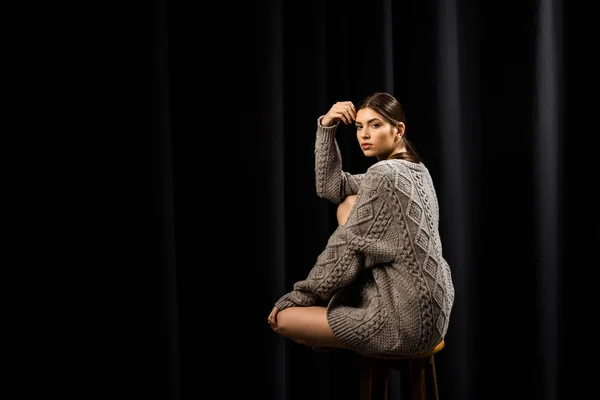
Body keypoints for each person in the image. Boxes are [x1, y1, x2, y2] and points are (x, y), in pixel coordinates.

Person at [267, 92, 455, 356]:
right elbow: (333, 188)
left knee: (285, 319)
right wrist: (327, 126)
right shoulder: (416, 169)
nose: (364, 135)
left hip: (406, 322)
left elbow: (347, 247)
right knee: (348, 202)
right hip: (436, 314)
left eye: (375, 125)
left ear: (398, 129)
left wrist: (302, 295)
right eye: (359, 126)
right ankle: (335, 327)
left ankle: (342, 333)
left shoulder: (384, 175)